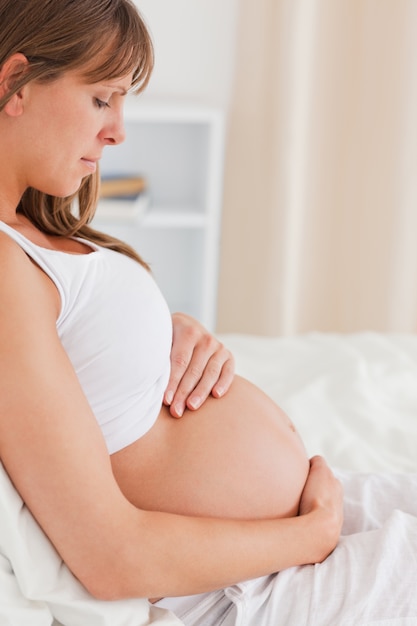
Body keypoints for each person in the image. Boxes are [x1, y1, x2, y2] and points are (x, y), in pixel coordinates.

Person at [1, 2, 417, 625]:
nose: (118, 131)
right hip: (235, 585)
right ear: (15, 84)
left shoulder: (30, 235)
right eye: (102, 99)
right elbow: (109, 554)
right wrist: (314, 534)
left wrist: (173, 331)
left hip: (279, 536)